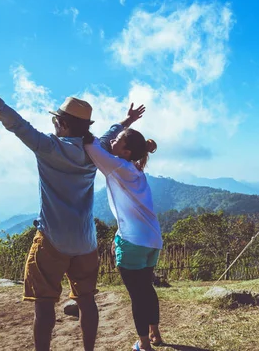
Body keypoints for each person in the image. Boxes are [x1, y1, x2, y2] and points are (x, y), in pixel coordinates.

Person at [0, 61, 142, 351]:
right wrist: (126, 122)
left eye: (55, 121)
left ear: (62, 124)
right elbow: (109, 134)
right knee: (87, 300)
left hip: (52, 240)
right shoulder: (94, 150)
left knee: (45, 303)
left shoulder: (48, 147)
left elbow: (14, 122)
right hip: (85, 242)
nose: (53, 125)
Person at [83, 106, 164, 351]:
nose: (113, 142)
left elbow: (91, 144)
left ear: (126, 151)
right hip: (153, 240)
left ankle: (143, 344)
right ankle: (155, 335)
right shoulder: (135, 170)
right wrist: (125, 122)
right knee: (146, 289)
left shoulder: (117, 166)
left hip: (133, 242)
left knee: (137, 295)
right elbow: (102, 143)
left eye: (117, 141)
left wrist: (120, 123)